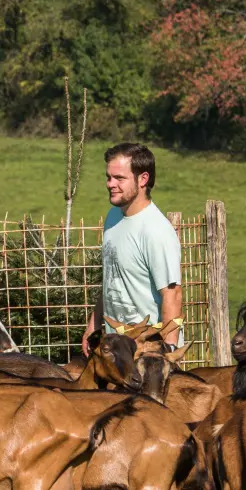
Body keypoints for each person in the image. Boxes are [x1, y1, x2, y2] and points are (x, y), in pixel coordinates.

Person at [84, 142, 181, 353]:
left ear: (143, 179)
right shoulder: (113, 217)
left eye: (119, 178)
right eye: (109, 177)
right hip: (115, 351)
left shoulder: (156, 230)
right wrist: (93, 325)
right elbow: (112, 278)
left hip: (145, 354)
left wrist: (168, 350)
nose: (110, 184)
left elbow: (172, 295)